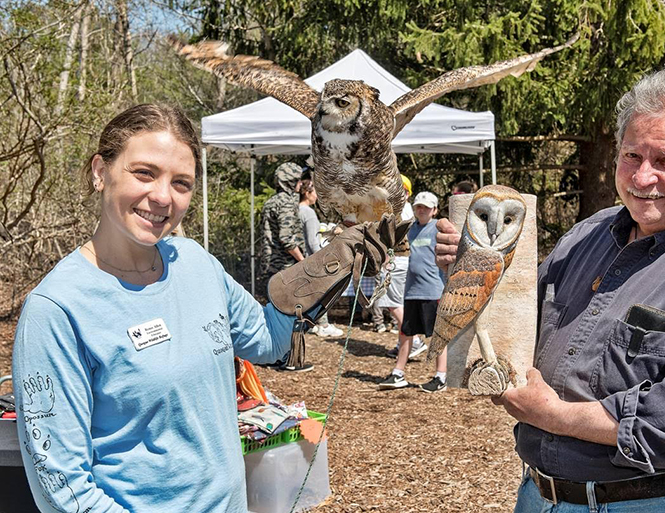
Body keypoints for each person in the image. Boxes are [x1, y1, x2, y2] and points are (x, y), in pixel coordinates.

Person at [12, 104, 403, 513]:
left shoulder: (194, 261)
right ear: (99, 172)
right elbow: (63, 489)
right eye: (144, 172)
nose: (163, 196)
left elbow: (269, 341)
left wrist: (328, 265)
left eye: (181, 183)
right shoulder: (57, 310)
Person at [436, 70, 665, 511]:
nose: (642, 176)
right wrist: (471, 274)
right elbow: (516, 331)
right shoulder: (586, 235)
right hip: (538, 496)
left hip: (643, 503)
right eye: (632, 155)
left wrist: (552, 415)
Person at [379, 191, 448, 393]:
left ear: (434, 210)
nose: (421, 210)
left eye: (426, 207)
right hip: (411, 291)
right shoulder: (410, 230)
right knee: (406, 332)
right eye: (418, 206)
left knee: (437, 336)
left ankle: (441, 376)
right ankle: (398, 373)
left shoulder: (438, 228)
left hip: (433, 291)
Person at [255, 162, 312, 371]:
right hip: (285, 267)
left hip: (272, 266)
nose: (300, 184)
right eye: (297, 180)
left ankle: (274, 356)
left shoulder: (272, 202)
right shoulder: (287, 203)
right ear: (291, 182)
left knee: (274, 314)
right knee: (287, 315)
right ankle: (285, 358)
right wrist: (303, 262)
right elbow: (287, 239)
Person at [379, 175, 426, 359]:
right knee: (397, 302)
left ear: (405, 192)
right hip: (400, 261)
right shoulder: (403, 210)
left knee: (392, 303)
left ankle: (413, 341)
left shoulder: (400, 211)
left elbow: (393, 239)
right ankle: (403, 343)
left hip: (397, 261)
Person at [298, 179, 344, 338]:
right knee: (320, 293)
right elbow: (312, 241)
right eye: (315, 192)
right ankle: (323, 324)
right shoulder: (308, 213)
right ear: (307, 193)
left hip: (299, 260)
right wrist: (323, 259)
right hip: (311, 260)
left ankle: (309, 324)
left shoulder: (295, 210)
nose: (317, 196)